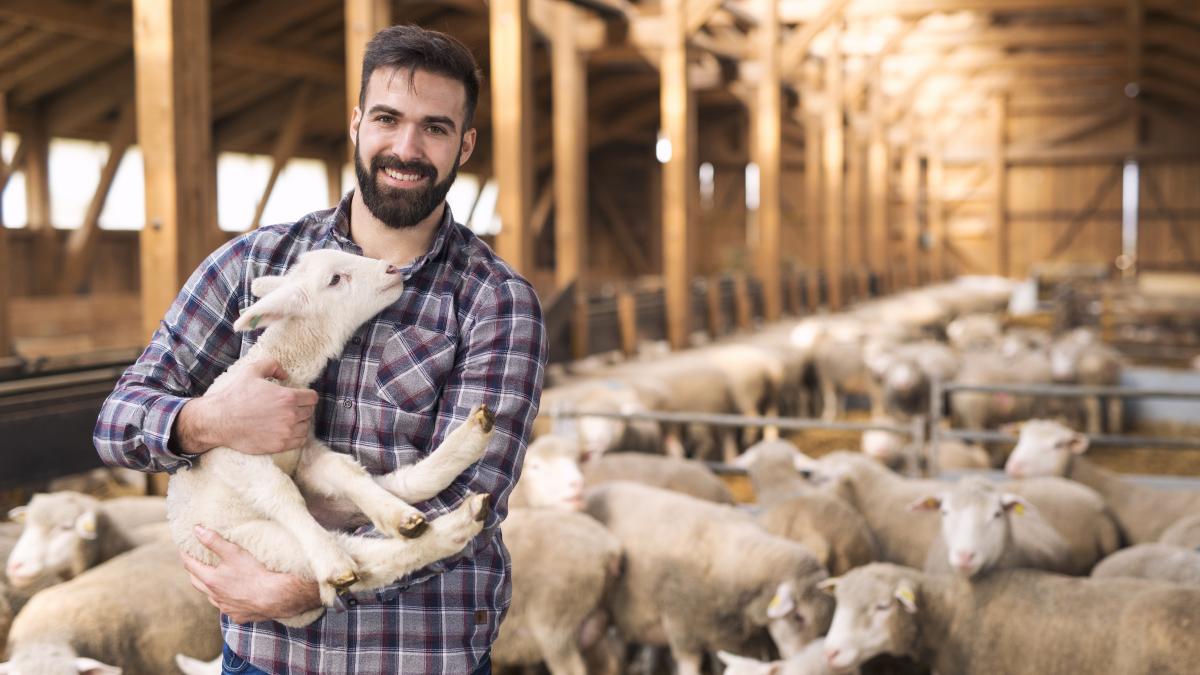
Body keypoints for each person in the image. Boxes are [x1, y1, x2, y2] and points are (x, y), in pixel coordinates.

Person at [94, 25, 546, 674]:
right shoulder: (252, 264)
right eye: (387, 118)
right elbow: (117, 422)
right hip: (268, 657)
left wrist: (309, 581)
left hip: (416, 654)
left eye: (435, 128)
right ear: (357, 122)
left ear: (465, 144)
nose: (406, 148)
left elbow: (473, 493)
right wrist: (208, 420)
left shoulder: (496, 301)